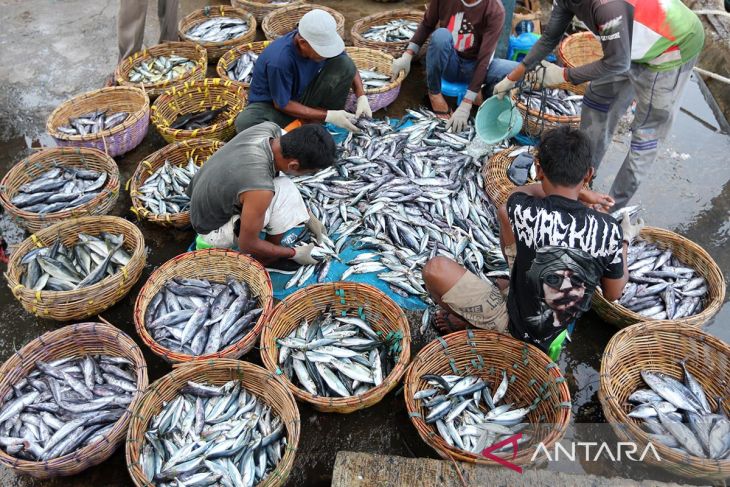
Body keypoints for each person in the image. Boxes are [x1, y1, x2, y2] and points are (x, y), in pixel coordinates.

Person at [422, 126, 645, 360]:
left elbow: (507, 205)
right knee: (503, 280)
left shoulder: (524, 208)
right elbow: (613, 293)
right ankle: (505, 304)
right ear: (588, 175)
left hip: (519, 330)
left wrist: (580, 194)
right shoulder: (609, 229)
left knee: (434, 269)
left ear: (538, 170)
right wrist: (625, 240)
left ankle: (470, 323)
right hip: (556, 326)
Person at [493, 0, 705, 210]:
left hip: (672, 48)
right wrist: (512, 78)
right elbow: (549, 38)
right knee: (596, 100)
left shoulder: (607, 7)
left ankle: (609, 208)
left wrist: (564, 74)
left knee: (645, 137)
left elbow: (617, 63)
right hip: (629, 44)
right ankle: (581, 179)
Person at [186, 122, 334, 267]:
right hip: (213, 230)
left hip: (202, 206)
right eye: (310, 172)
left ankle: (260, 236)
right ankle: (266, 259)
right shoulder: (260, 189)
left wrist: (308, 217)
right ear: (294, 165)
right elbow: (247, 244)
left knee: (277, 183)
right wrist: (293, 253)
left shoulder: (269, 129)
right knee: (286, 190)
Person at [390, 0, 519, 132]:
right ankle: (434, 94)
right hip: (450, 62)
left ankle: (484, 99)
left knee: (517, 71)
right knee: (441, 35)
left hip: (475, 66)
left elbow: (484, 58)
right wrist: (408, 55)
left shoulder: (495, 10)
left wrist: (467, 102)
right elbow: (427, 24)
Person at [235, 9, 370, 134]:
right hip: (275, 108)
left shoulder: (318, 41)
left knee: (344, 64)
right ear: (303, 43)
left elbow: (346, 62)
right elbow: (282, 104)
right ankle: (312, 121)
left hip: (302, 96)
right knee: (245, 122)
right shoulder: (279, 61)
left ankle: (315, 120)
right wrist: (329, 115)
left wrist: (361, 96)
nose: (326, 54)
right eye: (321, 50)